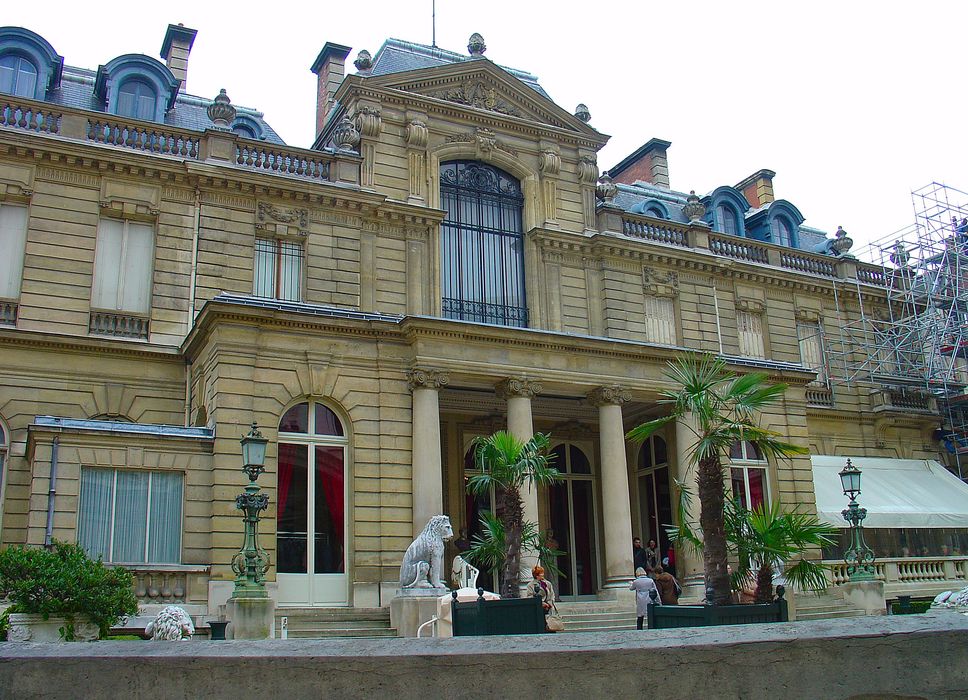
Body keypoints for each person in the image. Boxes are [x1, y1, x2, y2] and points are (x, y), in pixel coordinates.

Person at [526, 565, 562, 632]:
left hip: (549, 607)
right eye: (541, 573)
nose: (543, 574)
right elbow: (530, 596)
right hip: (539, 608)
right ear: (537, 575)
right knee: (542, 625)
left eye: (542, 573)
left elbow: (552, 594)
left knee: (550, 623)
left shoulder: (548, 583)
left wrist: (550, 603)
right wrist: (542, 603)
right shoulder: (530, 585)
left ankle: (552, 629)